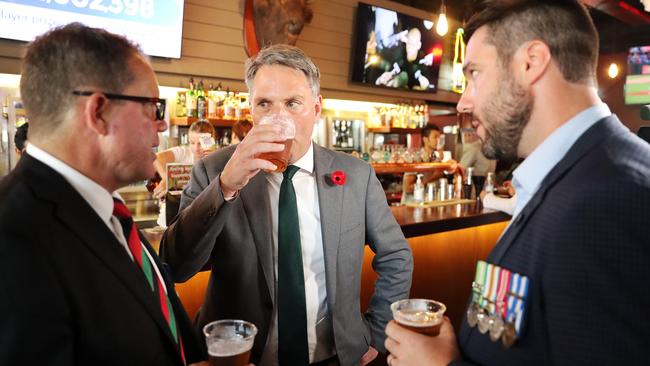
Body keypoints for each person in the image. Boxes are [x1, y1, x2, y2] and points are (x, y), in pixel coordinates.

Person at [385, 1, 650, 365]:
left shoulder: (607, 199)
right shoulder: (571, 176)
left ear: (531, 62)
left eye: (474, 73)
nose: (463, 102)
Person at [160, 44, 413, 366]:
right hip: (243, 356)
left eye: (293, 103)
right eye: (265, 104)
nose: (278, 117)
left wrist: (376, 333)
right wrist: (225, 186)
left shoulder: (355, 174)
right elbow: (177, 266)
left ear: (317, 108)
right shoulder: (214, 170)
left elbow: (396, 254)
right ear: (251, 108)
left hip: (334, 355)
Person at [0, 23, 205, 365]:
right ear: (98, 112)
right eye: (153, 107)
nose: (163, 125)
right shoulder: (13, 239)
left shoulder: (108, 209)